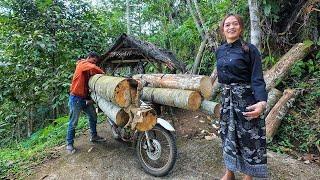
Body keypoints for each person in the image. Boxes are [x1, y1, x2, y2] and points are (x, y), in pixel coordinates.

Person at [215, 14, 268, 179]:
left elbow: (257, 78)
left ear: (241, 27)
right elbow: (219, 76)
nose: (231, 27)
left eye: (235, 24)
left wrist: (262, 102)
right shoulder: (219, 51)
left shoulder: (249, 50)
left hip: (245, 100)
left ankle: (248, 175)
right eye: (227, 25)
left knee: (249, 139)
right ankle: (229, 172)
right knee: (227, 136)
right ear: (223, 30)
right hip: (226, 100)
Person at [66, 52, 105, 154]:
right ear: (89, 58)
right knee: (73, 122)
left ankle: (94, 136)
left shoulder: (88, 70)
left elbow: (93, 73)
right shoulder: (82, 64)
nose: (94, 63)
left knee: (93, 116)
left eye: (95, 62)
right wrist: (103, 73)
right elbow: (93, 67)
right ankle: (69, 144)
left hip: (85, 99)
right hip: (76, 99)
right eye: (94, 61)